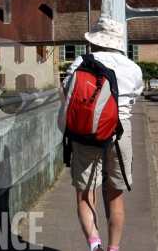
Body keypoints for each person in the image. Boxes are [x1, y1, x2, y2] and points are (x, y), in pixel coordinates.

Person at [61, 18, 143, 251]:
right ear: (118, 43)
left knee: (86, 195)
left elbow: (65, 92)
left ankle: (94, 243)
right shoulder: (133, 68)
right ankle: (113, 248)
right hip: (120, 132)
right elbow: (134, 99)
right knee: (115, 196)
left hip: (86, 131)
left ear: (95, 41)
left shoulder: (82, 61)